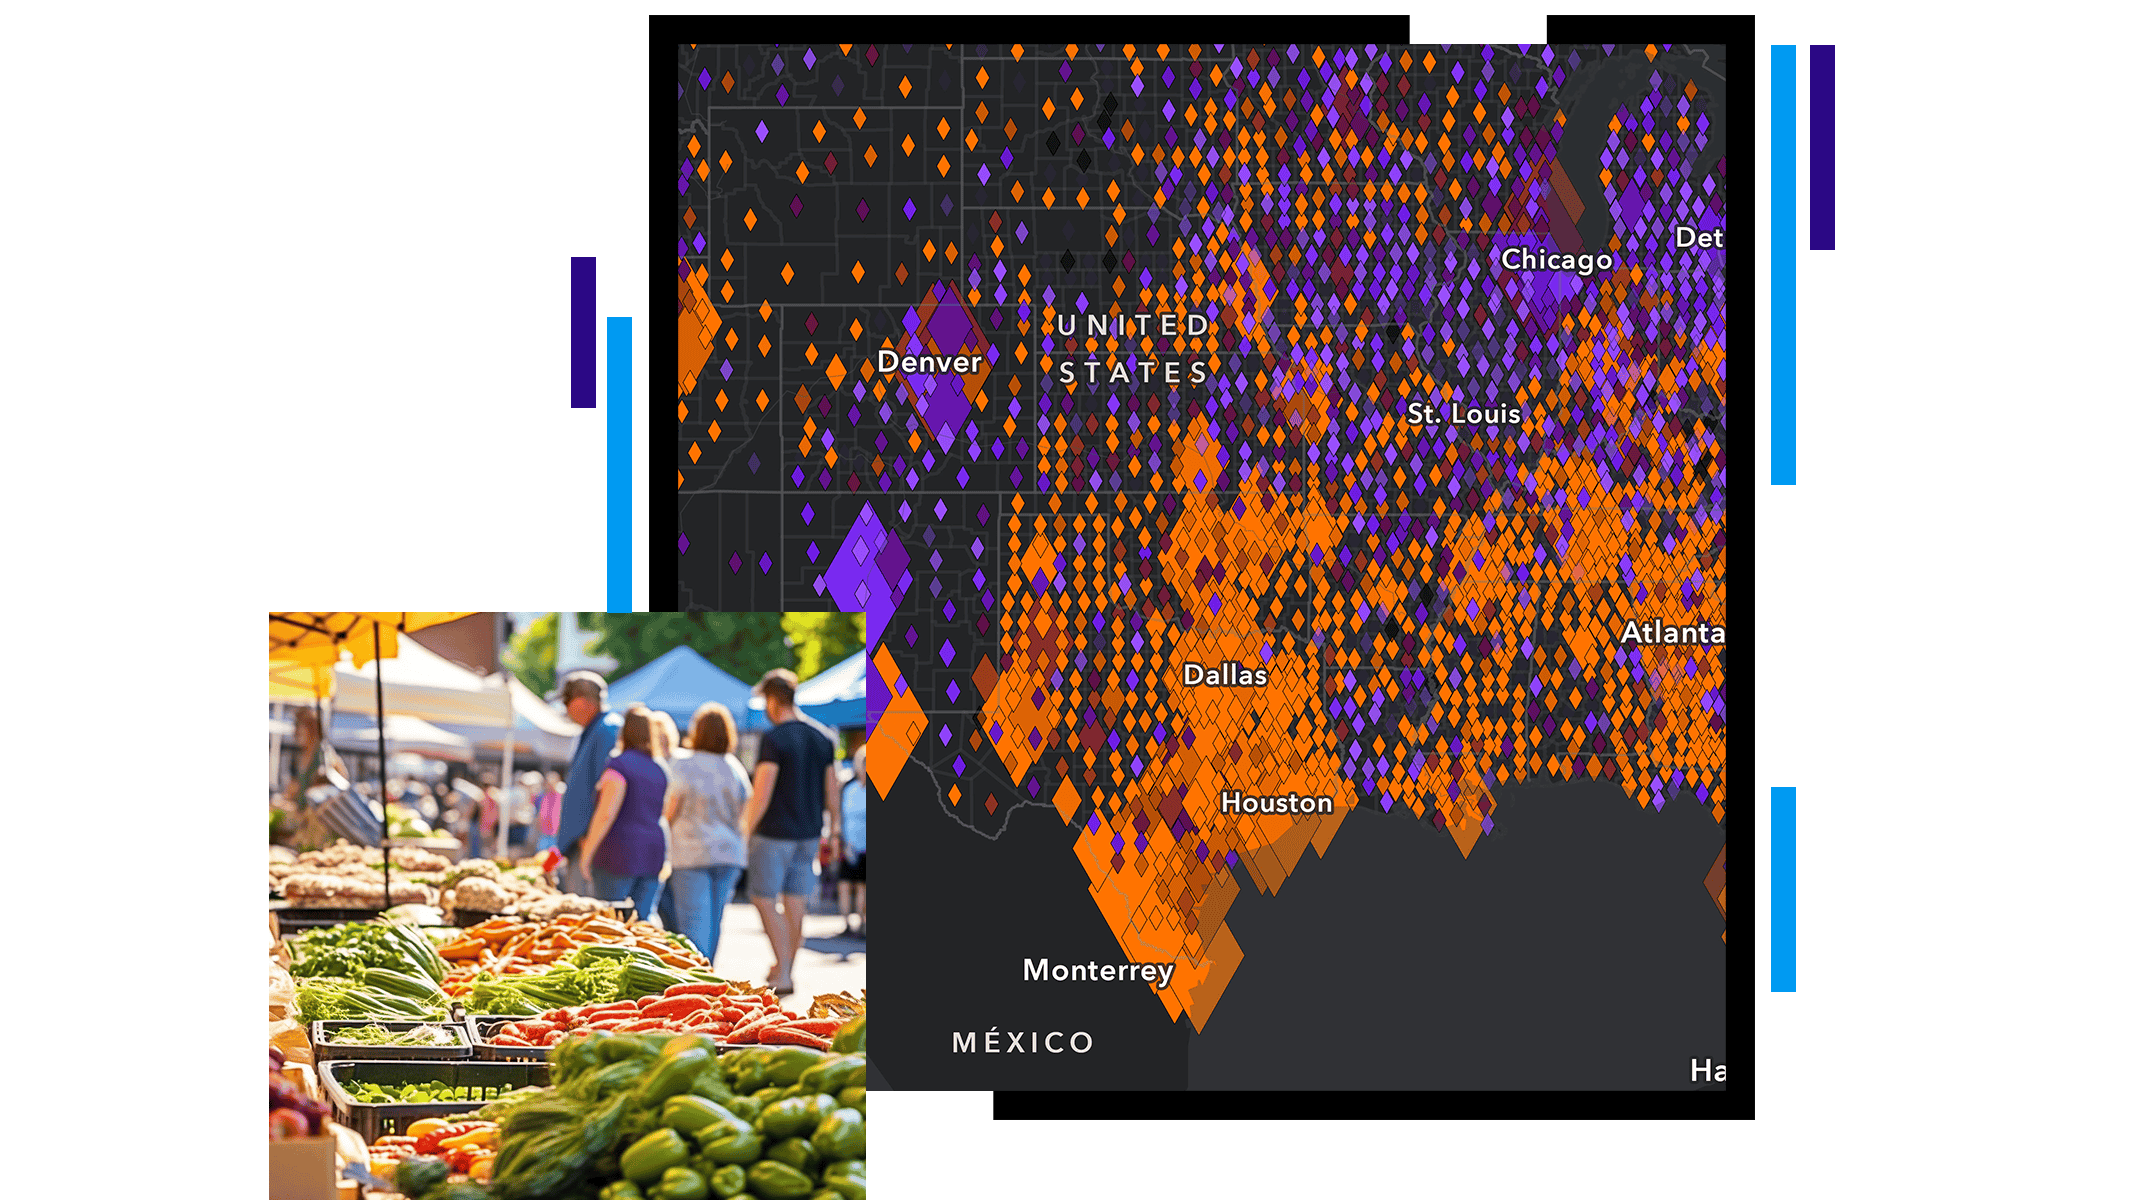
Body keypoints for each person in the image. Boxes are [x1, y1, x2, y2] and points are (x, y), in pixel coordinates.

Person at [740, 669, 841, 995]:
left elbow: (762, 790)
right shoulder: (822, 736)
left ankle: (783, 971)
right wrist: (835, 828)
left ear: (772, 699)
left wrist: (745, 829)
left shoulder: (775, 738)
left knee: (763, 898)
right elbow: (832, 788)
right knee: (796, 901)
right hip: (810, 832)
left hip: (773, 833)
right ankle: (785, 966)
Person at [662, 702, 751, 965]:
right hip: (729, 853)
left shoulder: (682, 764)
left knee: (694, 925)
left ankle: (700, 983)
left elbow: (670, 810)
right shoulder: (733, 766)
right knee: (715, 922)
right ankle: (710, 977)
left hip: (691, 853)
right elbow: (745, 809)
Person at [580, 705, 670, 922]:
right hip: (653, 850)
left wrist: (587, 854)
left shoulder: (618, 766)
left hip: (619, 851)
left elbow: (606, 814)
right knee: (642, 920)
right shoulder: (660, 768)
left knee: (611, 920)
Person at [556, 670, 624, 895]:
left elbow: (606, 789)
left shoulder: (607, 729)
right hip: (583, 840)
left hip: (590, 843)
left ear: (582, 701)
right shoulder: (597, 729)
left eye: (567, 701)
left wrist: (590, 836)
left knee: (586, 910)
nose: (566, 709)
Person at [837, 745, 867, 939]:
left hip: (866, 846)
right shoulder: (849, 788)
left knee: (863, 886)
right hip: (849, 844)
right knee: (845, 885)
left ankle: (863, 923)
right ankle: (847, 923)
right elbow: (841, 815)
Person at [534, 771, 563, 854]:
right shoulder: (544, 796)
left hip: (555, 834)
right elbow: (541, 812)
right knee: (541, 854)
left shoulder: (560, 796)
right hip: (544, 832)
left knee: (552, 856)